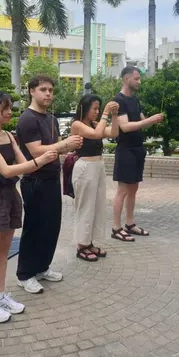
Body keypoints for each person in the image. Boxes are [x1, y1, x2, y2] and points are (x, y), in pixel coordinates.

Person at [0, 90, 58, 322]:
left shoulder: (9, 136)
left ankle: (0, 296)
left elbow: (27, 165)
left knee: (3, 252)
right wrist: (41, 159)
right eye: (5, 107)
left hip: (10, 194)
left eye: (10, 107)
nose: (10, 112)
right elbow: (6, 170)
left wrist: (50, 154)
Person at [15, 75, 83, 293]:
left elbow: (56, 147)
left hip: (52, 178)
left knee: (51, 227)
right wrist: (64, 144)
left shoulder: (51, 119)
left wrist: (69, 145)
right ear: (31, 91)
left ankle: (42, 267)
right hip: (35, 180)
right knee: (34, 227)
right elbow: (36, 151)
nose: (48, 94)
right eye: (43, 89)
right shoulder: (27, 119)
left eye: (51, 90)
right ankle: (25, 274)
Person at [112, 66, 164, 241]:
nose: (139, 82)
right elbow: (125, 126)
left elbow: (141, 121)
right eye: (136, 78)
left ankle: (130, 223)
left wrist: (154, 120)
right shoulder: (118, 100)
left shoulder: (135, 100)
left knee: (133, 188)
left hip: (137, 149)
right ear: (126, 78)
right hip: (125, 150)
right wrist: (149, 120)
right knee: (122, 190)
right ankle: (116, 227)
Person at [69, 95, 119, 261]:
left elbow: (113, 132)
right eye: (95, 108)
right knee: (85, 207)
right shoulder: (77, 124)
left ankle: (88, 242)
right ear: (85, 108)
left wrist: (114, 115)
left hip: (98, 167)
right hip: (85, 168)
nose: (97, 112)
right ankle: (81, 245)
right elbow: (97, 135)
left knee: (96, 206)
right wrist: (106, 113)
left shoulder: (95, 124)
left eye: (99, 109)